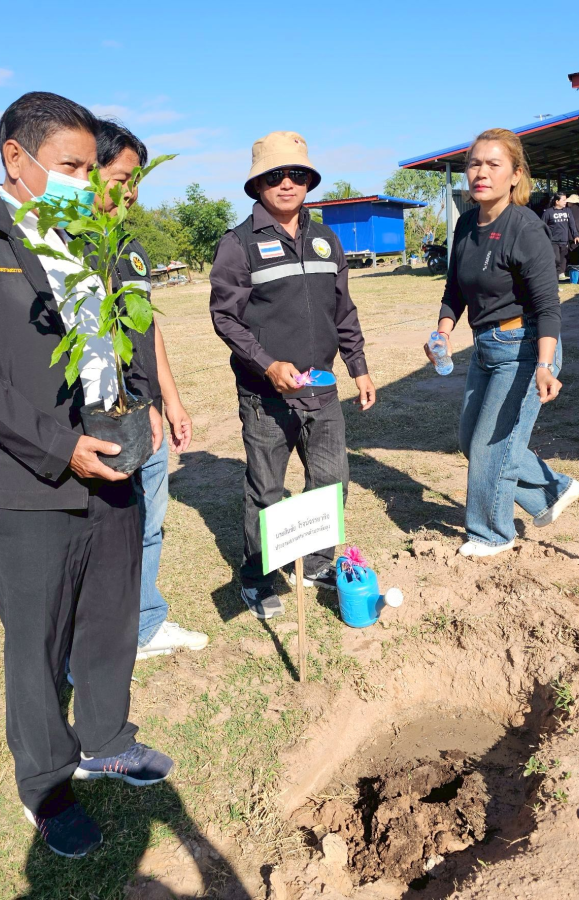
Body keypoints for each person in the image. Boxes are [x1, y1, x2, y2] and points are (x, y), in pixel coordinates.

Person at [0, 91, 172, 860]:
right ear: (15, 157)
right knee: (36, 638)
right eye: (72, 166)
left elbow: (124, 338)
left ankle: (108, 738)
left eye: (92, 168)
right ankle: (46, 784)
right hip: (31, 476)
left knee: (110, 615)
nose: (85, 181)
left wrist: (144, 408)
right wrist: (60, 447)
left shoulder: (90, 237)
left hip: (113, 462)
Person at [209, 131, 376, 619]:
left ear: (309, 181)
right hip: (266, 396)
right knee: (266, 491)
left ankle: (318, 562)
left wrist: (359, 367)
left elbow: (343, 310)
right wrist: (267, 364)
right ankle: (257, 578)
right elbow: (225, 318)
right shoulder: (238, 244)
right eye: (275, 175)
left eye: (297, 174)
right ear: (257, 183)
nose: (287, 183)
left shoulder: (326, 239)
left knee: (331, 483)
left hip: (322, 389)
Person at [424, 128, 579, 558]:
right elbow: (454, 291)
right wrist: (442, 332)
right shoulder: (466, 225)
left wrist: (545, 366)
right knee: (469, 438)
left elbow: (548, 306)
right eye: (475, 163)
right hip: (486, 348)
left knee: (490, 447)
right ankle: (552, 491)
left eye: (493, 164)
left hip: (525, 348)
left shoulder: (525, 227)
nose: (481, 172)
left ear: (515, 175)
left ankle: (492, 533)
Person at [95, 119, 208, 660]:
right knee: (106, 532)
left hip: (150, 413)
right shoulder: (70, 250)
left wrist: (171, 401)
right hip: (107, 420)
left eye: (137, 180)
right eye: (122, 178)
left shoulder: (130, 248)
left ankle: (144, 623)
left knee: (149, 524)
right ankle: (99, 640)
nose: (132, 192)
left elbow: (147, 330)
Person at [541, 192, 576, 281]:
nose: (565, 202)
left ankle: (556, 280)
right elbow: (542, 226)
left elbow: (572, 224)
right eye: (563, 200)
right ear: (557, 201)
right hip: (553, 241)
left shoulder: (568, 211)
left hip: (564, 241)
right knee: (556, 260)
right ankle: (551, 279)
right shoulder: (548, 212)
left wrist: (576, 235)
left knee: (561, 260)